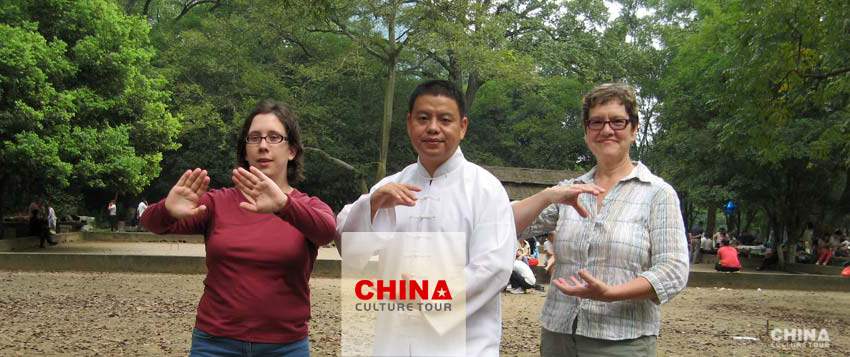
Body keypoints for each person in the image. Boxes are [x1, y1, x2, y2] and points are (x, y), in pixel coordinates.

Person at [141, 99, 335, 356]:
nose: (263, 146)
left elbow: (326, 231)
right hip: (214, 343)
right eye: (254, 138)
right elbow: (152, 224)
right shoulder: (218, 203)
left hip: (285, 346)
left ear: (292, 150)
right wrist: (167, 209)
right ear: (245, 151)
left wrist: (283, 205)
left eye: (274, 137)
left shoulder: (306, 206)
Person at [336, 80, 516, 356]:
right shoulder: (388, 187)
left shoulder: (486, 189)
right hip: (393, 339)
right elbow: (351, 253)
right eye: (423, 118)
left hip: (463, 346)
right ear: (409, 123)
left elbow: (493, 267)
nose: (433, 128)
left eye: (445, 119)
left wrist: (433, 297)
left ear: (463, 126)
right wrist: (371, 206)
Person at [512, 83, 689, 356]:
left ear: (634, 128)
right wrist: (547, 196)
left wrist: (611, 293)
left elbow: (673, 271)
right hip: (558, 335)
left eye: (617, 121)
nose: (607, 130)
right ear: (586, 131)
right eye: (596, 122)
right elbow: (504, 224)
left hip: (621, 338)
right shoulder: (570, 191)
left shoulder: (657, 194)